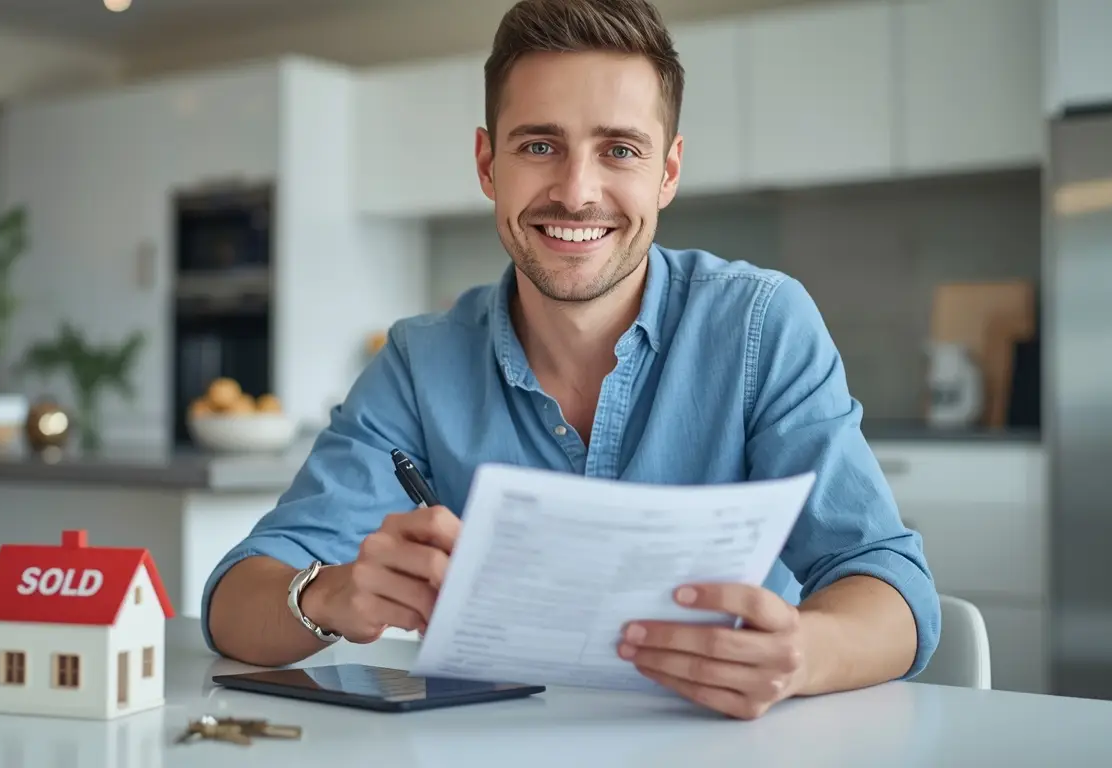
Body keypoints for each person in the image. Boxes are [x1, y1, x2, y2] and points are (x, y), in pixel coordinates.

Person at [203, 0, 940, 720]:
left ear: (668, 171)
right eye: (539, 145)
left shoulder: (760, 325)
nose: (577, 192)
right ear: (488, 164)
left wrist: (801, 653)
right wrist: (329, 595)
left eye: (619, 150)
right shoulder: (418, 363)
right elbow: (235, 601)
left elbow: (892, 585)